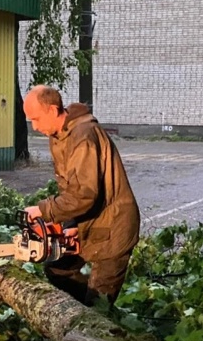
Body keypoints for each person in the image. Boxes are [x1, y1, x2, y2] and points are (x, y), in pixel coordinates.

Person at [23, 85, 140, 306]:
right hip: (90, 221)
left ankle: (94, 325)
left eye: (36, 119)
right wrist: (69, 225)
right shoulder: (59, 136)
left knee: (98, 307)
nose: (35, 127)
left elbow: (83, 195)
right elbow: (69, 189)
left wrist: (43, 210)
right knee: (58, 268)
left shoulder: (83, 136)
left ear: (52, 110)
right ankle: (76, 314)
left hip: (113, 227)